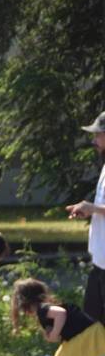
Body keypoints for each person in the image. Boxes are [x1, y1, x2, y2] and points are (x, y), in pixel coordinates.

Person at [65, 111, 105, 323]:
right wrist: (89, 209)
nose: (93, 140)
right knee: (91, 322)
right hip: (99, 262)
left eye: (98, 134)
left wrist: (93, 208)